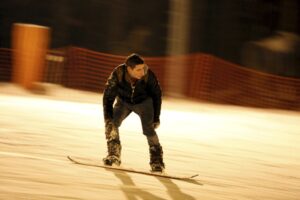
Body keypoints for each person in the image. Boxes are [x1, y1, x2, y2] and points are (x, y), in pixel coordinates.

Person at [102, 53, 165, 172]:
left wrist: (156, 117)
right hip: (123, 102)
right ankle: (113, 154)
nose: (142, 72)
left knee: (149, 129)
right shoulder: (118, 74)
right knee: (113, 123)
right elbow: (108, 97)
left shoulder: (148, 74)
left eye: (143, 68)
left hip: (144, 102)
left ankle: (157, 160)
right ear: (129, 69)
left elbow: (157, 95)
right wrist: (108, 119)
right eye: (138, 69)